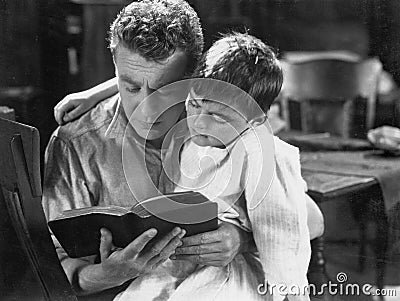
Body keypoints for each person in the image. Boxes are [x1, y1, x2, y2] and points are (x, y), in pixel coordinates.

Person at [42, 0, 255, 298]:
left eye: (163, 91)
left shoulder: (218, 122)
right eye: (129, 88)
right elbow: (50, 265)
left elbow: (307, 215)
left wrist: (240, 238)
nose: (146, 109)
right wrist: (103, 276)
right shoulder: (76, 142)